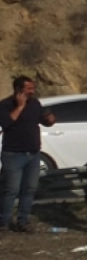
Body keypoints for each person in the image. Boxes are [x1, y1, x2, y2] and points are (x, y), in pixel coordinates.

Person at [0, 76, 57, 233]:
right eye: (29, 89)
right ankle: (3, 222)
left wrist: (50, 120)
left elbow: (43, 120)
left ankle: (23, 221)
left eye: (33, 88)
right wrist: (19, 106)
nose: (32, 91)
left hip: (33, 153)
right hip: (13, 154)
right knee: (11, 189)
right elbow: (6, 122)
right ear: (19, 89)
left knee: (29, 189)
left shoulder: (35, 103)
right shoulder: (5, 105)